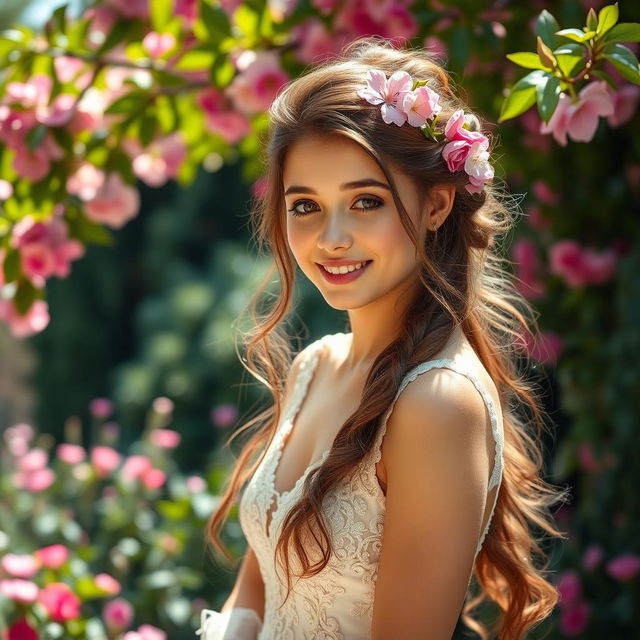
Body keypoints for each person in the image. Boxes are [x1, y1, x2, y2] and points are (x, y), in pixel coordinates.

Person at [196, 36, 570, 640]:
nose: (331, 238)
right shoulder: (314, 368)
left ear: (437, 205)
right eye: (305, 206)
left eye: (365, 201)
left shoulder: (436, 403)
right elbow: (262, 576)